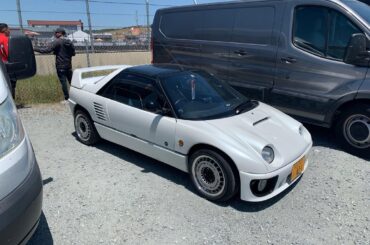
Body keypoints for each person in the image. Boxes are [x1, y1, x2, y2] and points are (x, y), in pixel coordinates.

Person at [34, 28, 75, 101]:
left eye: (56, 33)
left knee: (63, 83)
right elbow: (73, 53)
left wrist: (35, 48)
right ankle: (75, 97)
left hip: (60, 65)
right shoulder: (69, 42)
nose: (55, 34)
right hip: (68, 65)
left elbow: (46, 50)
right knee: (71, 82)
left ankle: (67, 98)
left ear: (60, 33)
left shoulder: (57, 42)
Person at [0, 23, 17, 98]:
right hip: (5, 65)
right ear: (4, 30)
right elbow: (9, 53)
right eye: (8, 29)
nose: (9, 31)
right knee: (10, 84)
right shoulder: (5, 39)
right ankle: (11, 103)